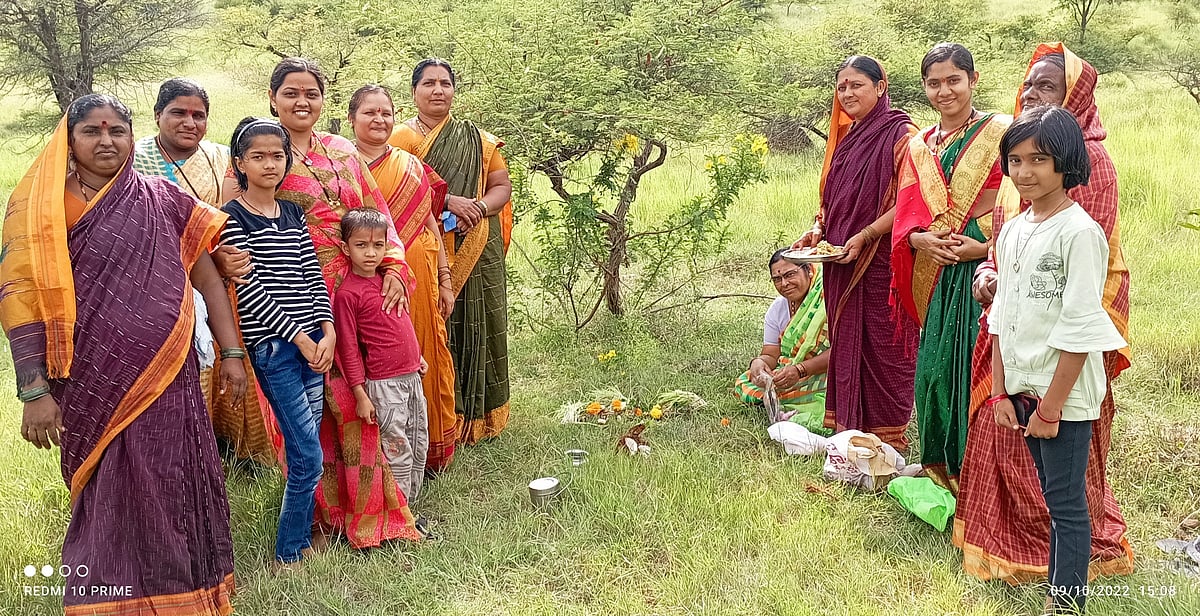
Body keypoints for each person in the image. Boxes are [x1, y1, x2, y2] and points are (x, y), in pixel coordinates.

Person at [1, 94, 244, 613]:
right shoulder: (40, 207)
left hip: (168, 371)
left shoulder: (160, 197)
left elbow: (207, 276)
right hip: (88, 376)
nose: (106, 140)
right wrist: (34, 390)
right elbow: (18, 295)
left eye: (118, 130)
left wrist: (231, 352)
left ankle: (186, 595)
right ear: (69, 140)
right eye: (92, 131)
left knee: (173, 479)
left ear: (134, 137)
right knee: (108, 489)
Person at [216, 57, 423, 549]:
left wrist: (392, 263)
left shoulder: (343, 150)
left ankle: (371, 510)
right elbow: (221, 228)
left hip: (356, 292)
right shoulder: (257, 154)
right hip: (290, 302)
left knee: (360, 401)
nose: (301, 102)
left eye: (311, 93)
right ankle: (320, 514)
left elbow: (378, 215)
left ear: (323, 100)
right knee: (315, 416)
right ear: (273, 98)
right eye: (291, 93)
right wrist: (223, 259)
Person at [954, 43, 1135, 584]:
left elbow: (1082, 298)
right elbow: (1006, 262)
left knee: (1063, 498)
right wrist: (990, 273)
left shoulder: (1088, 177)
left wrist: (1051, 404)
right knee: (1017, 452)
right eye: (1028, 85)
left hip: (1062, 367)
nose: (1031, 94)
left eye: (1047, 87)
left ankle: (1067, 589)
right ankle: (1022, 551)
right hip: (1018, 356)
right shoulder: (1020, 215)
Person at [987, 105, 1126, 614]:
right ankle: (1057, 590)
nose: (1024, 172)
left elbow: (1080, 330)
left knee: (1066, 505)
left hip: (1061, 397)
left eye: (1038, 160)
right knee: (1052, 498)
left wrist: (1050, 409)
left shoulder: (1080, 232)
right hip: (1022, 387)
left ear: (1066, 162)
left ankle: (1066, 604)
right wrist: (1002, 390)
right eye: (1016, 160)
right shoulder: (1014, 229)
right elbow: (1001, 315)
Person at [132, 77, 274, 465]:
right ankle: (183, 451)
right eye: (178, 112)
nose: (189, 122)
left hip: (220, 279)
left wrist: (226, 255)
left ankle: (231, 449)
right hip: (163, 280)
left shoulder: (219, 157)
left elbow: (232, 218)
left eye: (199, 115)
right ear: (158, 115)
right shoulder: (135, 159)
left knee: (229, 359)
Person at [891, 43, 1010, 493]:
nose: (944, 91)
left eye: (953, 80)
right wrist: (920, 240)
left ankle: (979, 474)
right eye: (934, 83)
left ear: (972, 80)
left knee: (974, 367)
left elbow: (1018, 203)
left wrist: (979, 251)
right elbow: (907, 212)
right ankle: (939, 466)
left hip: (984, 275)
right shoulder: (919, 146)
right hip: (935, 274)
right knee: (935, 371)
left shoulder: (1000, 132)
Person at [221, 117, 336, 568]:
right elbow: (251, 294)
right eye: (258, 156)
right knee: (308, 452)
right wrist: (301, 339)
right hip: (277, 349)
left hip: (313, 346)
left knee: (305, 447)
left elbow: (312, 276)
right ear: (240, 164)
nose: (270, 164)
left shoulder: (291, 212)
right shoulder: (234, 219)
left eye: (277, 155)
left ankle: (304, 533)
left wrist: (325, 331)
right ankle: (289, 551)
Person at [793, 55, 919, 449]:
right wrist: (816, 232)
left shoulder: (903, 135)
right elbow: (831, 201)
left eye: (856, 85)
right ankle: (852, 432)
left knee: (887, 346)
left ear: (880, 87)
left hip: (884, 261)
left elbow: (913, 201)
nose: (847, 93)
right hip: (840, 263)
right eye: (841, 87)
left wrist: (866, 234)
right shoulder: (846, 141)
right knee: (849, 341)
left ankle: (889, 438)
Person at [389, 58, 514, 444]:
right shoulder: (398, 139)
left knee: (484, 321)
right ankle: (440, 416)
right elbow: (394, 191)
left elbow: (500, 186)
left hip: (478, 240)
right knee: (437, 324)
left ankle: (482, 417)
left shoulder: (477, 138)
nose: (438, 90)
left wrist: (478, 207)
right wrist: (448, 202)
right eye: (429, 83)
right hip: (426, 243)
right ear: (414, 93)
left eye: (445, 83)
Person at [349, 84, 458, 473]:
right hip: (362, 285)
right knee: (371, 358)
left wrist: (445, 278)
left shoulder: (410, 165)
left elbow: (429, 221)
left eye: (386, 113)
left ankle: (427, 448)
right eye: (370, 113)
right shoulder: (341, 165)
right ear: (352, 119)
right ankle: (377, 459)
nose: (379, 120)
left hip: (419, 275)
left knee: (423, 349)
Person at [334, 208, 431, 502]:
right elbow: (348, 347)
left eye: (378, 245)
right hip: (384, 385)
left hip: (412, 376)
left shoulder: (391, 281)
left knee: (419, 440)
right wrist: (361, 394)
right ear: (345, 248)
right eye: (361, 245)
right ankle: (399, 514)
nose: (370, 253)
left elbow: (402, 321)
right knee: (396, 449)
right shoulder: (347, 294)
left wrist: (418, 358)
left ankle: (412, 504)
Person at [734, 250, 831, 432]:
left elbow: (844, 350)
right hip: (791, 375)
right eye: (777, 279)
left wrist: (800, 370)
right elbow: (771, 354)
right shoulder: (778, 308)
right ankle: (792, 400)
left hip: (826, 373)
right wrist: (759, 364)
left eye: (790, 275)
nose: (784, 284)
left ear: (808, 270)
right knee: (746, 382)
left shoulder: (828, 301)